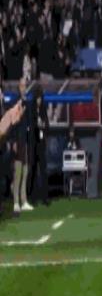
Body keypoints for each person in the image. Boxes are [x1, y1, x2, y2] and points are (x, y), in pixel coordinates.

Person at [11, 78, 34, 215]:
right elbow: (13, 123)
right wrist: (14, 141)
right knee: (18, 171)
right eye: (22, 86)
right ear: (19, 87)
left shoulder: (27, 102)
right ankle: (16, 202)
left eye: (25, 86)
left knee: (25, 171)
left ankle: (23, 200)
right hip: (18, 141)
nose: (24, 88)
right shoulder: (16, 102)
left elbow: (29, 122)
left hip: (26, 141)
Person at [29, 84, 49, 206]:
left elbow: (47, 125)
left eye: (40, 98)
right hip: (34, 143)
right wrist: (37, 125)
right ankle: (33, 198)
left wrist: (44, 126)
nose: (39, 101)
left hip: (41, 143)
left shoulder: (43, 109)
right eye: (37, 98)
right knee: (33, 170)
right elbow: (31, 127)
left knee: (43, 170)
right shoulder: (31, 110)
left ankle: (45, 198)